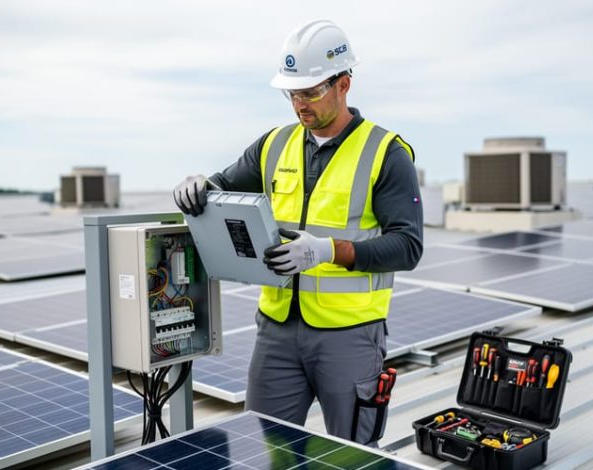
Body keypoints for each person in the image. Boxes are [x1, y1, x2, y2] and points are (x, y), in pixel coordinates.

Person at [173, 19, 423, 445]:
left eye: (310, 92)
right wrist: (200, 187)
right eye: (292, 93)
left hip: (350, 336)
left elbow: (408, 246)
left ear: (344, 84)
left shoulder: (386, 153)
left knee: (351, 456)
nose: (299, 104)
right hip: (276, 331)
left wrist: (329, 251)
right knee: (263, 449)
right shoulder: (273, 145)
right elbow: (221, 187)